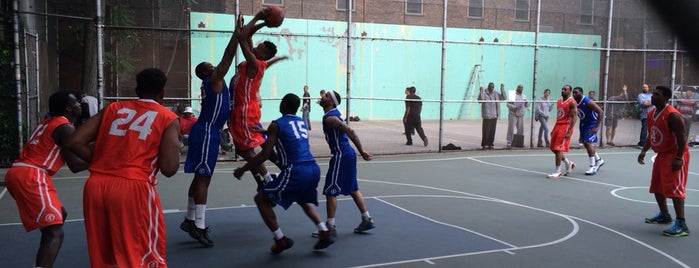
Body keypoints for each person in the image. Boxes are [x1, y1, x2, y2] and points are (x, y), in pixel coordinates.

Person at [67, 68, 180, 267]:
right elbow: (169, 168)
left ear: (137, 90)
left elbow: (75, 141)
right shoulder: (167, 117)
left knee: (104, 258)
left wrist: (101, 160)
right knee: (144, 256)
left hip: (96, 186)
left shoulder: (113, 109)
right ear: (162, 92)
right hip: (132, 187)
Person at [233, 93, 334, 254]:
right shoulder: (300, 121)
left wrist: (243, 169)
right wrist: (265, 131)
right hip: (313, 169)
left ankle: (280, 240)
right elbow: (289, 134)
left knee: (261, 199)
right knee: (302, 200)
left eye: (281, 102)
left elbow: (264, 155)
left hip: (296, 170)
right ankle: (323, 230)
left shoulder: (276, 124)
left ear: (284, 106)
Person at [3, 90, 88, 268]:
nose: (80, 105)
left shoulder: (47, 123)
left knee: (59, 215)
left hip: (18, 172)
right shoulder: (65, 127)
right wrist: (105, 157)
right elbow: (74, 165)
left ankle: (44, 253)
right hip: (32, 175)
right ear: (68, 108)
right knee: (55, 232)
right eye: (76, 103)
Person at [180, 13, 242, 248]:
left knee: (199, 177)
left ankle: (189, 219)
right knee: (204, 180)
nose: (216, 67)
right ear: (207, 73)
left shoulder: (214, 83)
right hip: (207, 132)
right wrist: (236, 35)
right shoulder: (214, 80)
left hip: (205, 130)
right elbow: (227, 56)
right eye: (212, 67)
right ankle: (199, 225)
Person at [229, 7, 288, 192]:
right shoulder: (258, 61)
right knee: (251, 145)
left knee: (246, 149)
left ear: (262, 55)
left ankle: (268, 180)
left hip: (244, 111)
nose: (255, 47)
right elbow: (247, 37)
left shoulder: (254, 63)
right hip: (248, 109)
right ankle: (283, 168)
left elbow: (242, 38)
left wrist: (258, 17)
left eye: (259, 48)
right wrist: (264, 22)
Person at [314, 90, 375, 237]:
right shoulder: (332, 115)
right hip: (348, 154)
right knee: (352, 188)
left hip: (341, 155)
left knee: (330, 190)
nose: (323, 97)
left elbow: (351, 131)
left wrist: (362, 150)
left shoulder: (331, 118)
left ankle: (330, 227)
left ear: (332, 102)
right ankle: (367, 218)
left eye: (327, 96)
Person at [637, 85, 690, 237]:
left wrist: (679, 157)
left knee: (675, 188)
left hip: (675, 153)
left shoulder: (672, 115)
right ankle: (665, 214)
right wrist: (644, 151)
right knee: (657, 186)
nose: (653, 96)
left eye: (657, 94)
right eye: (653, 93)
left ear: (665, 98)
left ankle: (681, 223)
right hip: (662, 153)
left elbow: (682, 138)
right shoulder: (652, 113)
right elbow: (651, 134)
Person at [572, 86, 605, 175]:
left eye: (576, 92)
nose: (574, 94)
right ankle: (599, 160)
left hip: (592, 124)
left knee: (587, 142)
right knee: (586, 144)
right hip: (583, 124)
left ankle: (592, 166)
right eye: (573, 93)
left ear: (581, 93)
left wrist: (595, 127)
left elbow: (601, 112)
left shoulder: (587, 101)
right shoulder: (574, 102)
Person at [547, 85, 578, 179]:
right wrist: (554, 128)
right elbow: (560, 115)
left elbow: (574, 117)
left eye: (565, 89)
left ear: (570, 92)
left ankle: (558, 172)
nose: (562, 90)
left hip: (566, 126)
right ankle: (569, 163)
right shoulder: (559, 101)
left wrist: (569, 131)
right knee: (553, 148)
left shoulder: (572, 102)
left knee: (558, 148)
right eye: (562, 89)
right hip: (558, 125)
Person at [478, 82, 505, 149]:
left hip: (494, 115)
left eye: (492, 87)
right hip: (487, 115)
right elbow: (480, 100)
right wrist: (481, 91)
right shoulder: (484, 93)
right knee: (486, 131)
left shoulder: (495, 93)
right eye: (490, 86)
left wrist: (502, 90)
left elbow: (503, 98)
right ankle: (484, 144)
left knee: (492, 131)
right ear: (488, 86)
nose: (491, 88)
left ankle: (491, 143)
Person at [637, 83, 652, 148]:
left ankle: (651, 143)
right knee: (644, 129)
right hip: (645, 115)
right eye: (643, 87)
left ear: (648, 88)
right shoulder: (640, 95)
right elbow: (644, 104)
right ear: (642, 88)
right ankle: (641, 144)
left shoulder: (651, 95)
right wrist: (650, 103)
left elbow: (654, 102)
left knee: (652, 130)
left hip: (652, 115)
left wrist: (648, 102)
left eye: (646, 87)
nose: (645, 88)